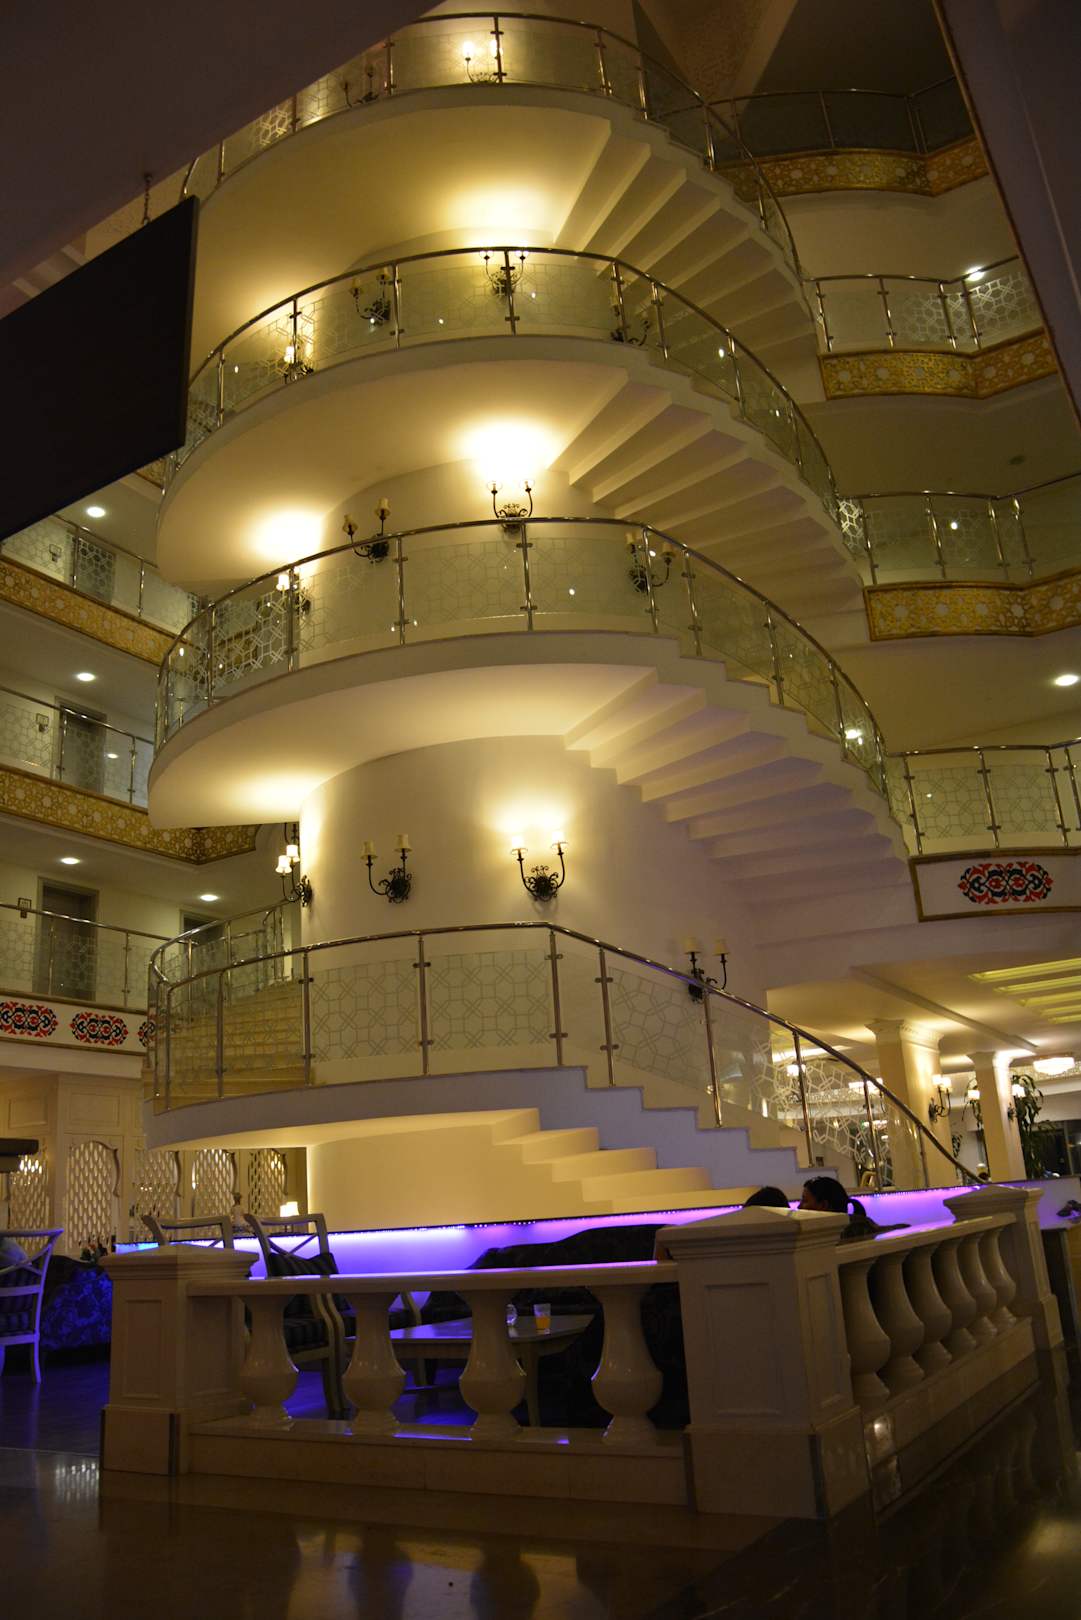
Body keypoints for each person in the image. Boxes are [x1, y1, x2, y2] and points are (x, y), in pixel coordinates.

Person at [799, 1176, 883, 1238]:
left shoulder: (822, 1238)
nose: (799, 1207)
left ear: (824, 1205)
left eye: (805, 1201)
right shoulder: (867, 1226)